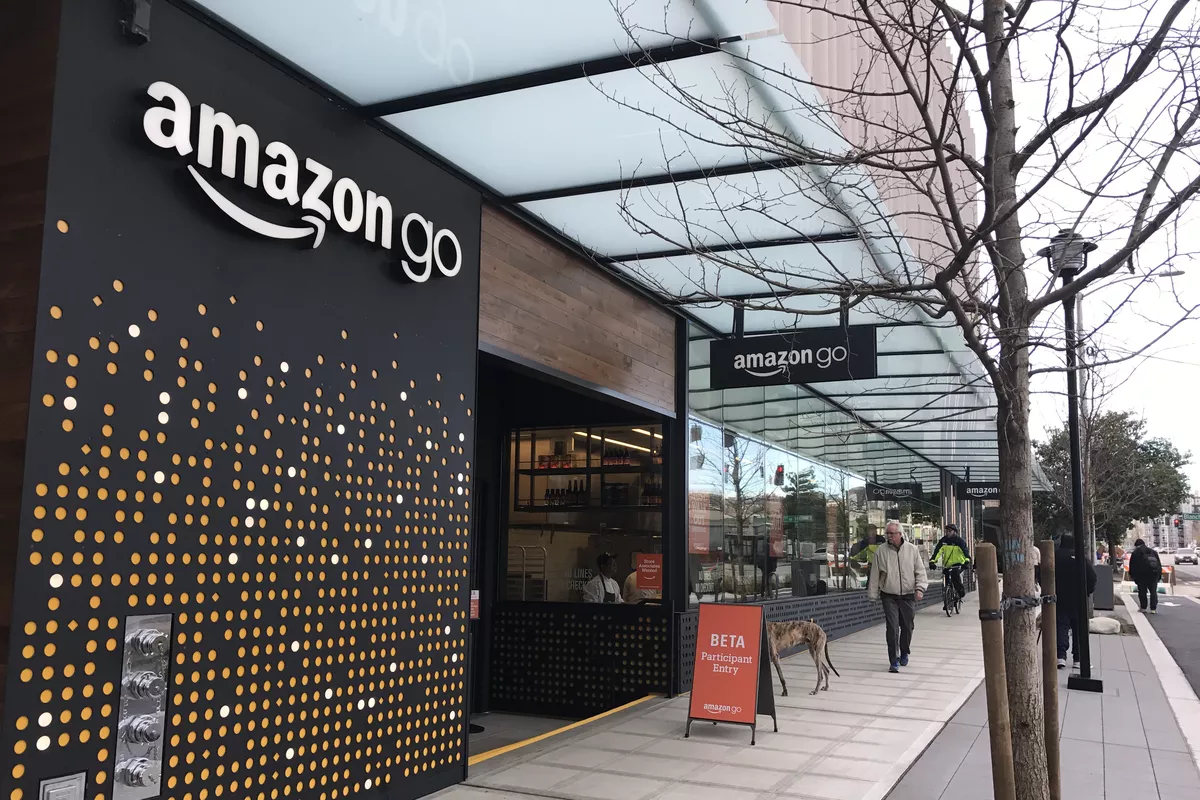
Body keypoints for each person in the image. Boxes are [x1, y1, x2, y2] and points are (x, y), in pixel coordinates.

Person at [869, 521, 927, 672]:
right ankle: (893, 660)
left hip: (908, 595)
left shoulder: (912, 550)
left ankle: (904, 652)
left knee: (907, 627)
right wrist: (873, 594)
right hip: (889, 595)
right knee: (892, 628)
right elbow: (875, 574)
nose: (888, 536)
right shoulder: (881, 551)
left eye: (891, 533)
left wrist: (920, 588)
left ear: (900, 534)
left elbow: (920, 571)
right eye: (887, 533)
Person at [1054, 534, 1097, 669]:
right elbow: (1092, 577)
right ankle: (1078, 658)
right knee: (1079, 628)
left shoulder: (1055, 556)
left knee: (1061, 625)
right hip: (1078, 598)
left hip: (1060, 597)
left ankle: (1060, 656)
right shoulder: (1080, 557)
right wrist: (1087, 592)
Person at [930, 523, 971, 601]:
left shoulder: (960, 541)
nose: (947, 533)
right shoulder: (943, 541)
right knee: (947, 579)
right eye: (946, 531)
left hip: (959, 564)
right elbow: (937, 552)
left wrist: (966, 562)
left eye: (950, 531)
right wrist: (932, 561)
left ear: (955, 532)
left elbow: (965, 553)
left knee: (955, 576)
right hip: (948, 565)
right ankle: (948, 598)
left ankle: (960, 591)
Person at [1129, 538, 1163, 614]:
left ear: (1136, 545)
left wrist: (1133, 576)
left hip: (1142, 576)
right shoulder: (1153, 552)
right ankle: (1153, 609)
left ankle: (1143, 608)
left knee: (1142, 592)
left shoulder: (1136, 552)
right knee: (1153, 592)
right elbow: (1159, 565)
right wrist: (1159, 575)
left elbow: (1133, 565)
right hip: (1153, 575)